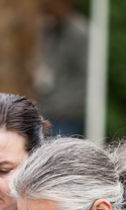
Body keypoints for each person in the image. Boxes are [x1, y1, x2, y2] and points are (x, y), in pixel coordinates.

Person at [34, 0, 88, 136]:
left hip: (66, 116)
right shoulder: (49, 30)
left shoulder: (80, 33)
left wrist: (67, 105)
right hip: (45, 111)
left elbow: (88, 76)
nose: (47, 9)